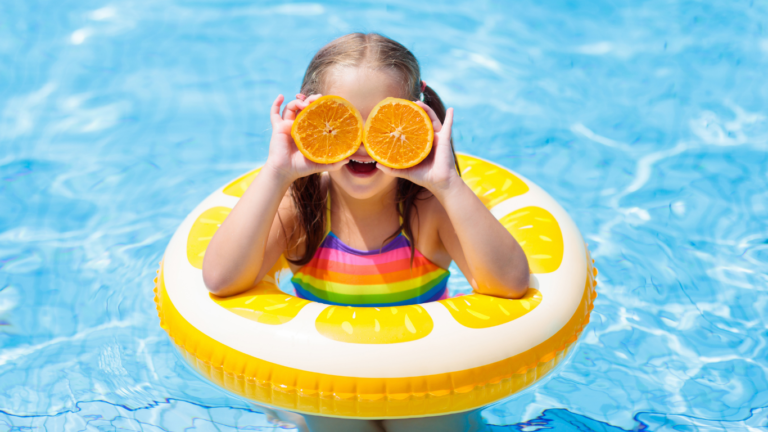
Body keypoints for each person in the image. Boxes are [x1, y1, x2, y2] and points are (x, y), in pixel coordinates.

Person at [202, 33, 529, 432]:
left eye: (383, 122)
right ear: (307, 117)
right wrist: (276, 173)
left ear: (415, 119)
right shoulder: (301, 210)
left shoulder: (429, 211)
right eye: (342, 120)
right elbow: (221, 279)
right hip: (330, 385)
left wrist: (446, 183)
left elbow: (509, 285)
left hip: (423, 383)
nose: (362, 143)